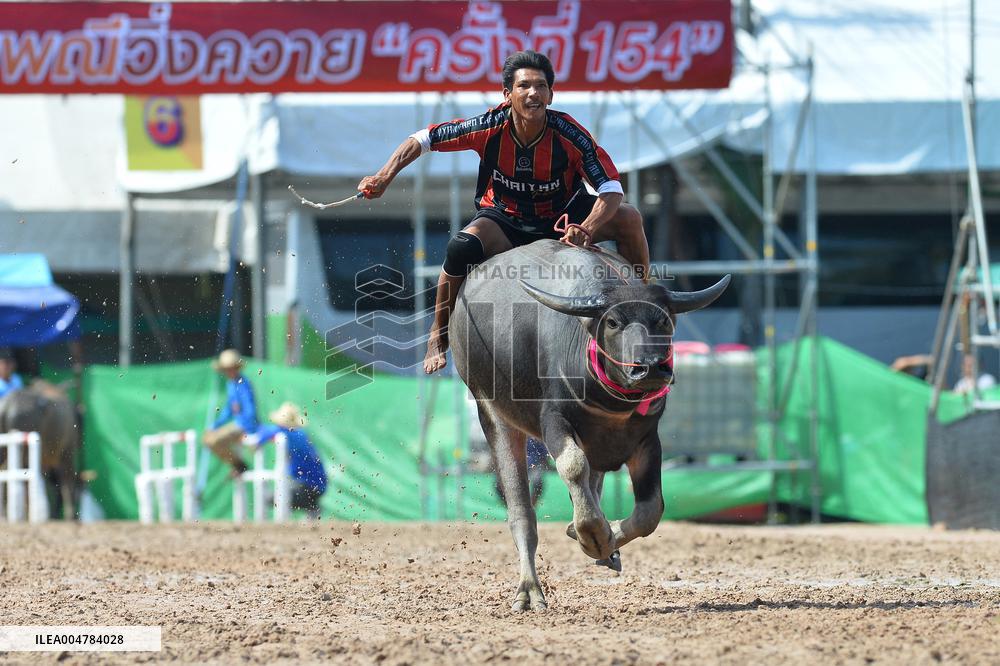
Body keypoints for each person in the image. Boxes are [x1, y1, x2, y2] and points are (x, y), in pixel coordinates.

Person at [358, 50, 650, 374]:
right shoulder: (488, 126)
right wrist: (385, 175)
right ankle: (437, 335)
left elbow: (610, 189)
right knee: (460, 247)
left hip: (562, 217)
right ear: (507, 94)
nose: (533, 93)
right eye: (524, 86)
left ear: (551, 95)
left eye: (541, 86)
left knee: (630, 217)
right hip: (504, 218)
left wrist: (588, 228)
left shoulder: (571, 135)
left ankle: (645, 303)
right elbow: (423, 138)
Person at [253, 402, 328, 520]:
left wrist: (257, 441)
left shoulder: (284, 432)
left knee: (273, 498)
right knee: (282, 494)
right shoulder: (302, 434)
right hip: (319, 486)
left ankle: (311, 506)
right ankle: (312, 506)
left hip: (305, 486)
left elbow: (263, 434)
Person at [203, 349, 259, 477]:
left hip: (244, 426)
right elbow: (228, 410)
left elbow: (250, 410)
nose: (228, 371)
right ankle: (238, 464)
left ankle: (239, 465)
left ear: (236, 368)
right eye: (226, 369)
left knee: (212, 441)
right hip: (238, 424)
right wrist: (214, 426)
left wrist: (249, 430)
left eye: (230, 368)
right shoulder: (231, 384)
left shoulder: (243, 384)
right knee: (207, 439)